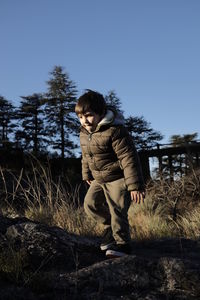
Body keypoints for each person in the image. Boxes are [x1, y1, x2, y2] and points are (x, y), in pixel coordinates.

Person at [75, 90, 145, 258]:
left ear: (101, 113)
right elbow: (85, 155)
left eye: (89, 115)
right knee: (90, 205)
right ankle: (109, 229)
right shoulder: (84, 133)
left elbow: (129, 158)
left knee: (117, 211)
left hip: (118, 178)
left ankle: (123, 245)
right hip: (99, 178)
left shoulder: (115, 131)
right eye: (81, 117)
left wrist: (135, 185)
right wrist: (86, 174)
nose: (85, 121)